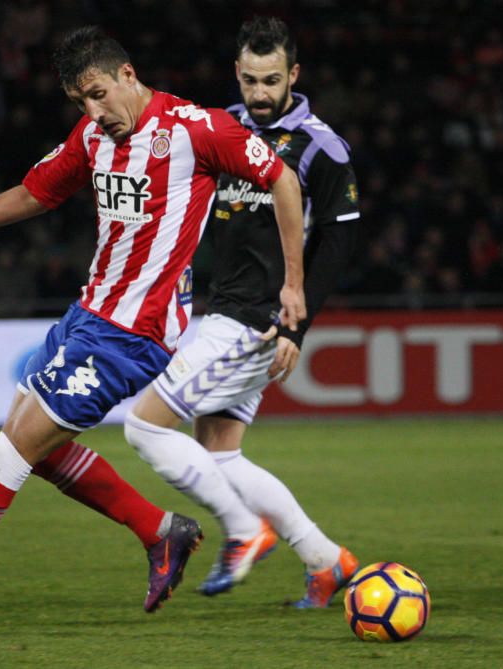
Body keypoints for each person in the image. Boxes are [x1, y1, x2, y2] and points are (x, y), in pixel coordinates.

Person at [0, 25, 306, 616]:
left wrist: (293, 285)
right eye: (81, 101)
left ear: (128, 74)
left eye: (99, 93)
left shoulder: (194, 129)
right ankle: (160, 532)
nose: (93, 111)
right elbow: (35, 192)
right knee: (38, 447)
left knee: (9, 455)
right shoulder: (93, 135)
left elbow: (281, 178)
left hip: (136, 334)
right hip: (86, 316)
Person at [122, 16, 361, 608]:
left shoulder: (320, 148)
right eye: (251, 79)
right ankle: (327, 561)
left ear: (294, 75)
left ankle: (245, 532)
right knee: (220, 452)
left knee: (145, 425)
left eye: (272, 80)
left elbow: (337, 248)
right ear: (237, 72)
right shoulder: (224, 128)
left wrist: (295, 326)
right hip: (223, 310)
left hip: (257, 321)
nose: (260, 93)